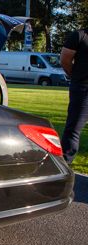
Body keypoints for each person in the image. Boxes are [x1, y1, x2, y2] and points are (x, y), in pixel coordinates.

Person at [61, 28, 88, 163]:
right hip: (83, 89)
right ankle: (64, 165)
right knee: (74, 129)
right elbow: (65, 60)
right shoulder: (80, 36)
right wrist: (77, 77)